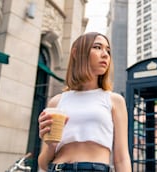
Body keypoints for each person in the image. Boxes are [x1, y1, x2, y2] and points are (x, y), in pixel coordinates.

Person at [38, 32, 132, 172]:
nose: (105, 54)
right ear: (76, 53)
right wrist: (51, 145)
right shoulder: (56, 102)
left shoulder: (114, 100)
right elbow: (43, 164)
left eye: (108, 50)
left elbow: (122, 158)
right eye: (97, 47)